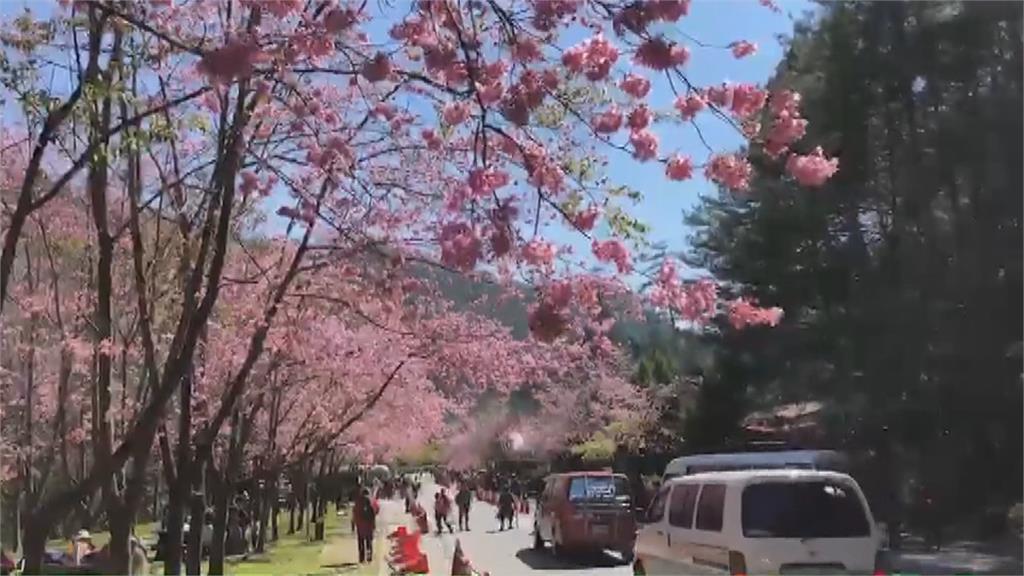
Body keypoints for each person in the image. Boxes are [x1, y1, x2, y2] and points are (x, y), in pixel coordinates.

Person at [352, 488, 377, 563]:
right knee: (369, 541)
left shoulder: (358, 502)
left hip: (360, 525)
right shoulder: (371, 501)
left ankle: (361, 557)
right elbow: (374, 513)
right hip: (368, 525)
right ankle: (369, 556)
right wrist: (373, 524)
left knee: (361, 541)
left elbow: (354, 513)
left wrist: (353, 524)